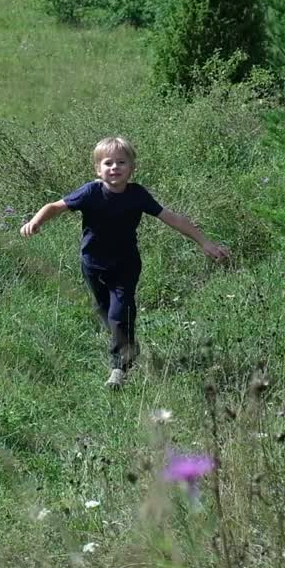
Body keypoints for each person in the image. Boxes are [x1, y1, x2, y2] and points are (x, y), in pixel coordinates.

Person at [20, 136, 230, 388]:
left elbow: (172, 218)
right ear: (98, 169)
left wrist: (204, 242)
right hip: (93, 265)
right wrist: (36, 221)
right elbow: (55, 206)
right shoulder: (90, 192)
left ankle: (119, 368)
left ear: (131, 168)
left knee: (119, 315)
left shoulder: (137, 195)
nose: (114, 167)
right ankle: (128, 345)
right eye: (108, 163)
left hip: (126, 265)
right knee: (107, 315)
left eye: (121, 162)